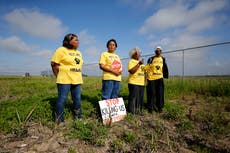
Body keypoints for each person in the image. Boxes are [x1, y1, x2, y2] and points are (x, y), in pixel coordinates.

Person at [51, 33, 84, 124]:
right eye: (75, 40)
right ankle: (59, 120)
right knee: (62, 99)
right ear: (69, 41)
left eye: (78, 40)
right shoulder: (61, 50)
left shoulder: (79, 53)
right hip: (64, 79)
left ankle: (78, 118)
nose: (78, 41)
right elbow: (54, 64)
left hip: (77, 79)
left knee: (77, 99)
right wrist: (58, 76)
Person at [145, 46, 168, 113]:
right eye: (157, 51)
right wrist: (146, 78)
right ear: (155, 52)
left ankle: (159, 107)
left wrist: (165, 76)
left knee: (160, 94)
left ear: (161, 51)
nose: (158, 52)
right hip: (151, 79)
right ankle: (150, 108)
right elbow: (147, 68)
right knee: (151, 94)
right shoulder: (151, 59)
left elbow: (164, 68)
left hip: (160, 78)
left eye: (159, 51)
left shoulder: (163, 59)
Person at [127, 47, 145, 114]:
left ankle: (139, 110)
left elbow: (144, 72)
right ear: (134, 54)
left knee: (140, 98)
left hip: (141, 83)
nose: (140, 54)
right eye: (138, 53)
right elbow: (131, 71)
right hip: (133, 82)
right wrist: (139, 64)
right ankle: (132, 111)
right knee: (133, 97)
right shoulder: (131, 61)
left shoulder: (141, 63)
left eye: (140, 53)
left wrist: (146, 80)